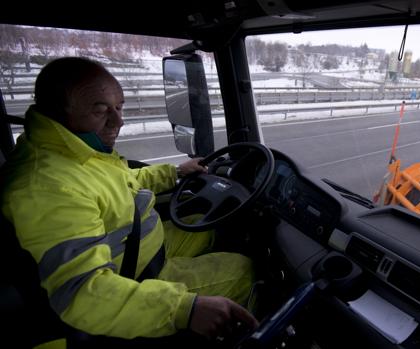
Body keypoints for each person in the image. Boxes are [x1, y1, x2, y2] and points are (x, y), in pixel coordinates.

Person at [0, 57, 258, 344]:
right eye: (101, 112)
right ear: (56, 113)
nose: (119, 121)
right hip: (127, 278)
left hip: (140, 253)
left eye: (119, 107)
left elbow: (122, 181)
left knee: (202, 224)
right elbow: (83, 293)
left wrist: (173, 172)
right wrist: (185, 308)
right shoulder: (47, 187)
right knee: (242, 269)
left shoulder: (74, 150)